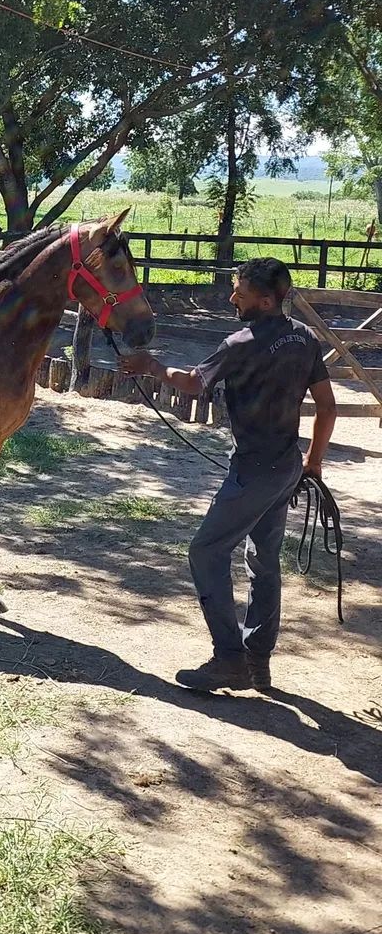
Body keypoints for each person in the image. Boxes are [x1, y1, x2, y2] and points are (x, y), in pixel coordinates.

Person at [119, 258, 337, 692]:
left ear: (267, 299)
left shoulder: (242, 342)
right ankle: (258, 660)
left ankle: (228, 658)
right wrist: (312, 463)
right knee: (262, 560)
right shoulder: (306, 339)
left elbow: (193, 383)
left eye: (240, 291)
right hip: (287, 465)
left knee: (206, 551)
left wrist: (152, 366)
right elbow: (327, 406)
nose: (233, 297)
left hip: (253, 472)